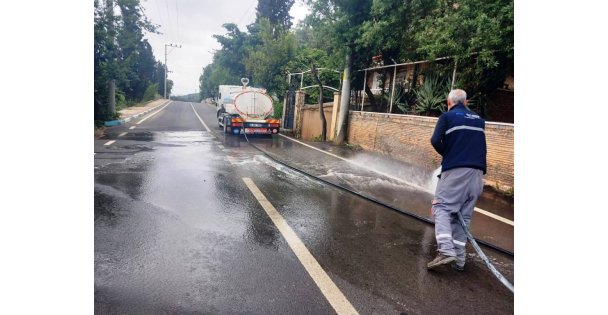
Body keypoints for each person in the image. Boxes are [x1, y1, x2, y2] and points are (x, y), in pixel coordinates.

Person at [426, 89, 487, 271]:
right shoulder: (479, 120)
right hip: (477, 174)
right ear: (466, 103)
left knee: (442, 207)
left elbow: (435, 140)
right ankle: (459, 261)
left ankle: (446, 251)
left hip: (456, 171)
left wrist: (449, 155)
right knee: (463, 216)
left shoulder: (447, 117)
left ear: (448, 102)